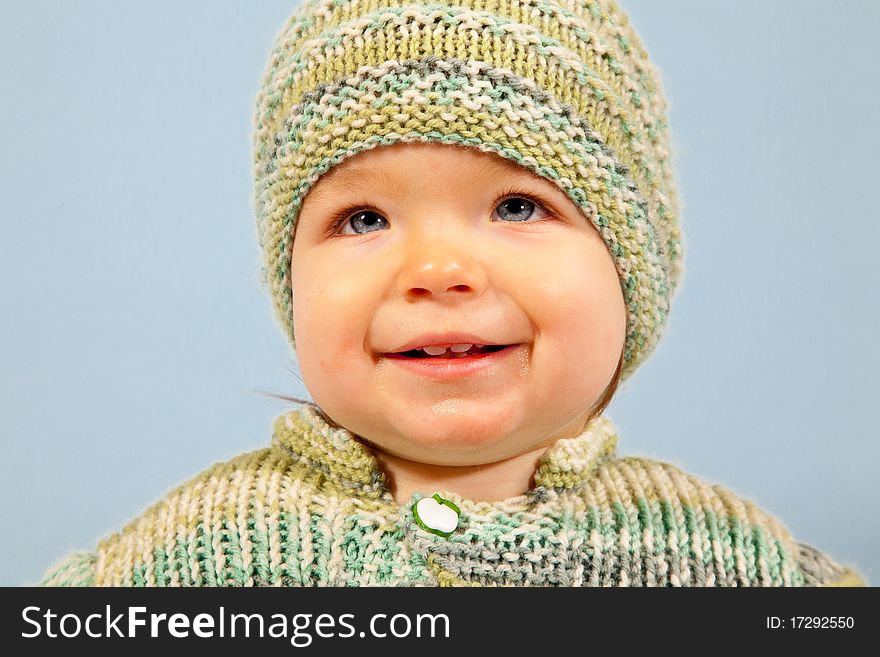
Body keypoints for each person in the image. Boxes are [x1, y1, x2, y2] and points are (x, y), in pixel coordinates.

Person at [39, 0, 865, 587]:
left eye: (517, 206)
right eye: (363, 218)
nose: (437, 269)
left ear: (631, 267)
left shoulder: (741, 570)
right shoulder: (180, 566)